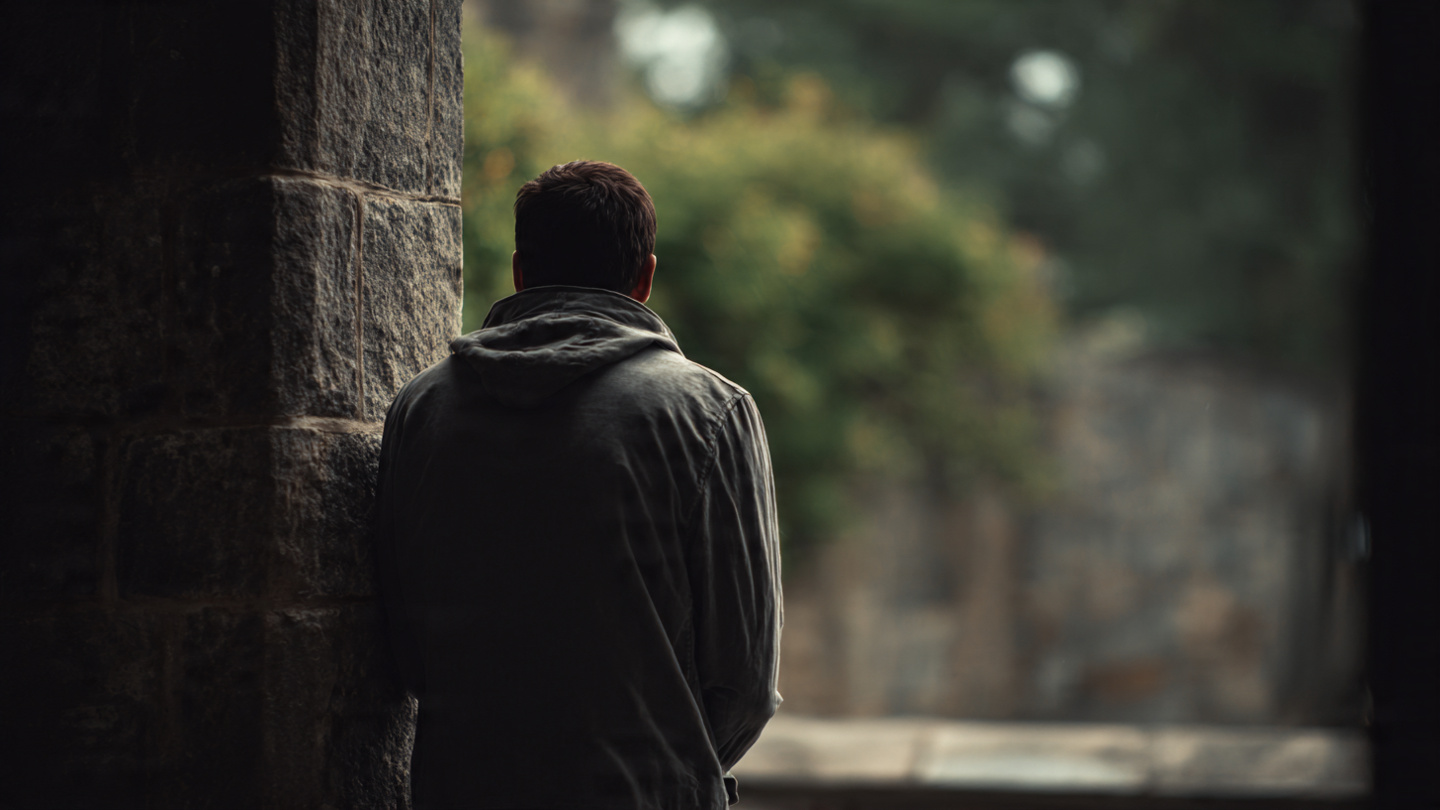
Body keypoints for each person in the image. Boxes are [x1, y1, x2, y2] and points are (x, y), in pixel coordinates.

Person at [374, 160, 783, 810]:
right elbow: (745, 682)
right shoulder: (710, 411)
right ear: (645, 276)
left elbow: (407, 652)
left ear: (519, 269)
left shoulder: (421, 408)